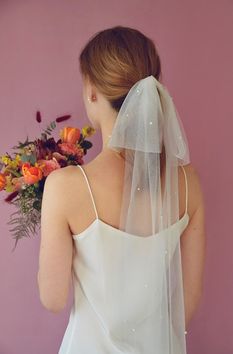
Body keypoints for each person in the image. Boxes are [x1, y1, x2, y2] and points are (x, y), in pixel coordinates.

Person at [38, 26, 206, 354]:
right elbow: (187, 304)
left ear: (91, 91)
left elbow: (53, 299)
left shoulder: (66, 187)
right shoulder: (188, 183)